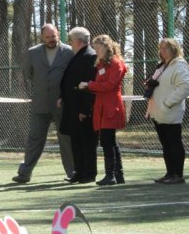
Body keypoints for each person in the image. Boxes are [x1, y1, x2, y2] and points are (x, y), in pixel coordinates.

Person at [12, 23, 75, 184]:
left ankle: (73, 172)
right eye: (47, 37)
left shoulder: (68, 52)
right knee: (35, 138)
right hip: (40, 103)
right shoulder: (32, 53)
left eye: (53, 36)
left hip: (63, 104)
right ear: (42, 37)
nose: (51, 39)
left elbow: (72, 76)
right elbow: (28, 74)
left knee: (66, 139)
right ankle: (24, 173)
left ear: (58, 35)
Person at [78, 34, 128, 186]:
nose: (96, 51)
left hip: (111, 106)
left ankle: (110, 175)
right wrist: (89, 86)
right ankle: (117, 175)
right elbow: (102, 85)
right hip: (102, 106)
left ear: (107, 47)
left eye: (98, 48)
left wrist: (89, 85)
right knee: (110, 141)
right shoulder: (101, 64)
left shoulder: (116, 63)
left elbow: (110, 85)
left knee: (107, 141)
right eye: (95, 48)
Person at [145, 38, 189, 184]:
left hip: (170, 111)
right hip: (158, 112)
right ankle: (170, 173)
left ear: (174, 49)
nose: (162, 51)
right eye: (161, 48)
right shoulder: (163, 65)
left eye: (166, 48)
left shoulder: (179, 65)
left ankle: (178, 174)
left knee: (174, 142)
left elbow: (184, 87)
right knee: (166, 143)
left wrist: (167, 103)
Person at [59, 27, 98, 184]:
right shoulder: (78, 56)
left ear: (78, 41)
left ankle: (89, 173)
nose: (70, 43)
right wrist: (62, 96)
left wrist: (85, 109)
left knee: (87, 142)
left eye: (71, 40)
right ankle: (79, 171)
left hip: (82, 108)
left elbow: (89, 85)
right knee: (76, 141)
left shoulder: (90, 56)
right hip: (72, 106)